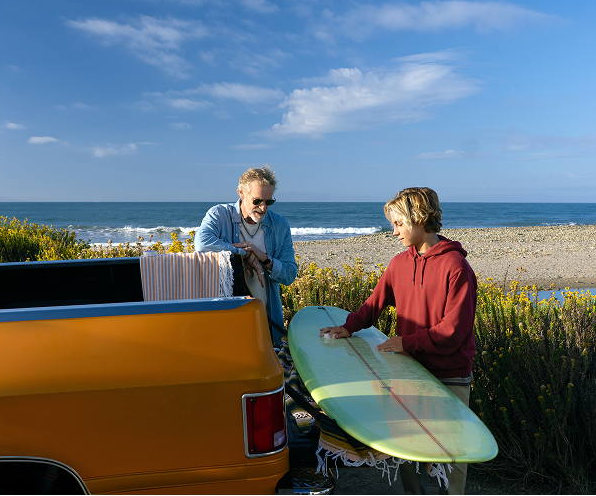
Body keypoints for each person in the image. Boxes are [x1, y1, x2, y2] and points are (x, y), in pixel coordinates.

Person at [320, 187, 477, 496]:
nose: (393, 232)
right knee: (409, 449)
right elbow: (373, 305)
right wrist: (349, 326)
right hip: (410, 372)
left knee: (453, 454)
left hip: (450, 376)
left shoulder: (456, 267)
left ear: (420, 218)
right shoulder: (398, 264)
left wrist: (406, 342)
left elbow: (453, 333)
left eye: (399, 224)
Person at [195, 165, 297, 348]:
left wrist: (264, 259)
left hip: (266, 320)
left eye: (269, 202)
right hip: (227, 316)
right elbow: (202, 244)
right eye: (257, 200)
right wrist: (244, 253)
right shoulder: (219, 215)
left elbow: (290, 274)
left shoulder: (280, 225)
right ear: (241, 193)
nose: (263, 207)